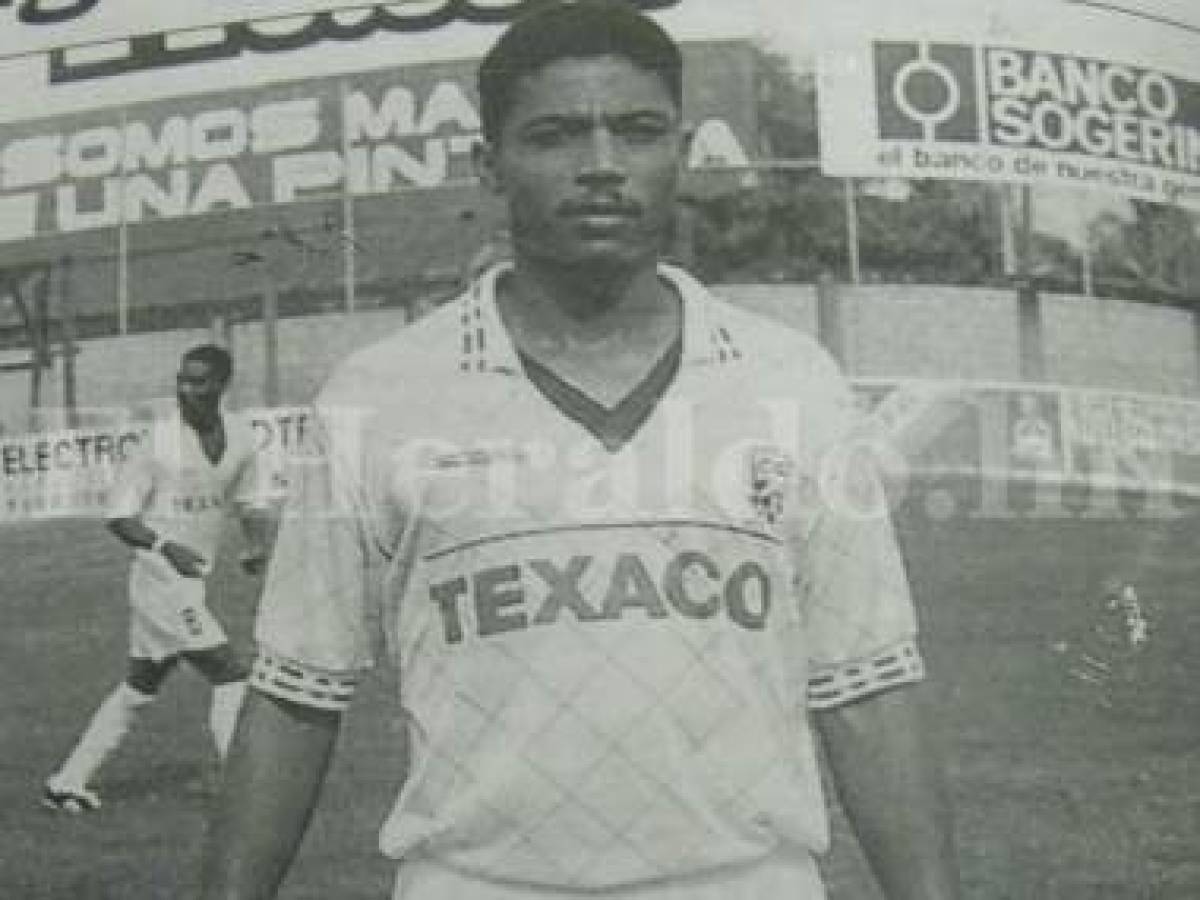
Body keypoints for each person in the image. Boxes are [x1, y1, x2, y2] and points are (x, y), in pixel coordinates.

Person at [200, 3, 960, 898]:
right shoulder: (381, 393)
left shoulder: (793, 382)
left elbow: (866, 687)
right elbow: (295, 695)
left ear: (680, 150)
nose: (601, 166)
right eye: (556, 135)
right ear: (490, 164)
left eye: (636, 131)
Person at [43, 344, 272, 813]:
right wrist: (167, 547)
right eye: (182, 380)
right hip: (159, 581)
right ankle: (242, 791)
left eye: (199, 381)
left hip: (190, 584)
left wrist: (255, 546)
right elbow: (118, 516)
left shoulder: (243, 437)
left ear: (221, 385)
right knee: (232, 674)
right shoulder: (158, 442)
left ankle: (67, 782)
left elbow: (252, 500)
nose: (187, 390)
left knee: (139, 686)